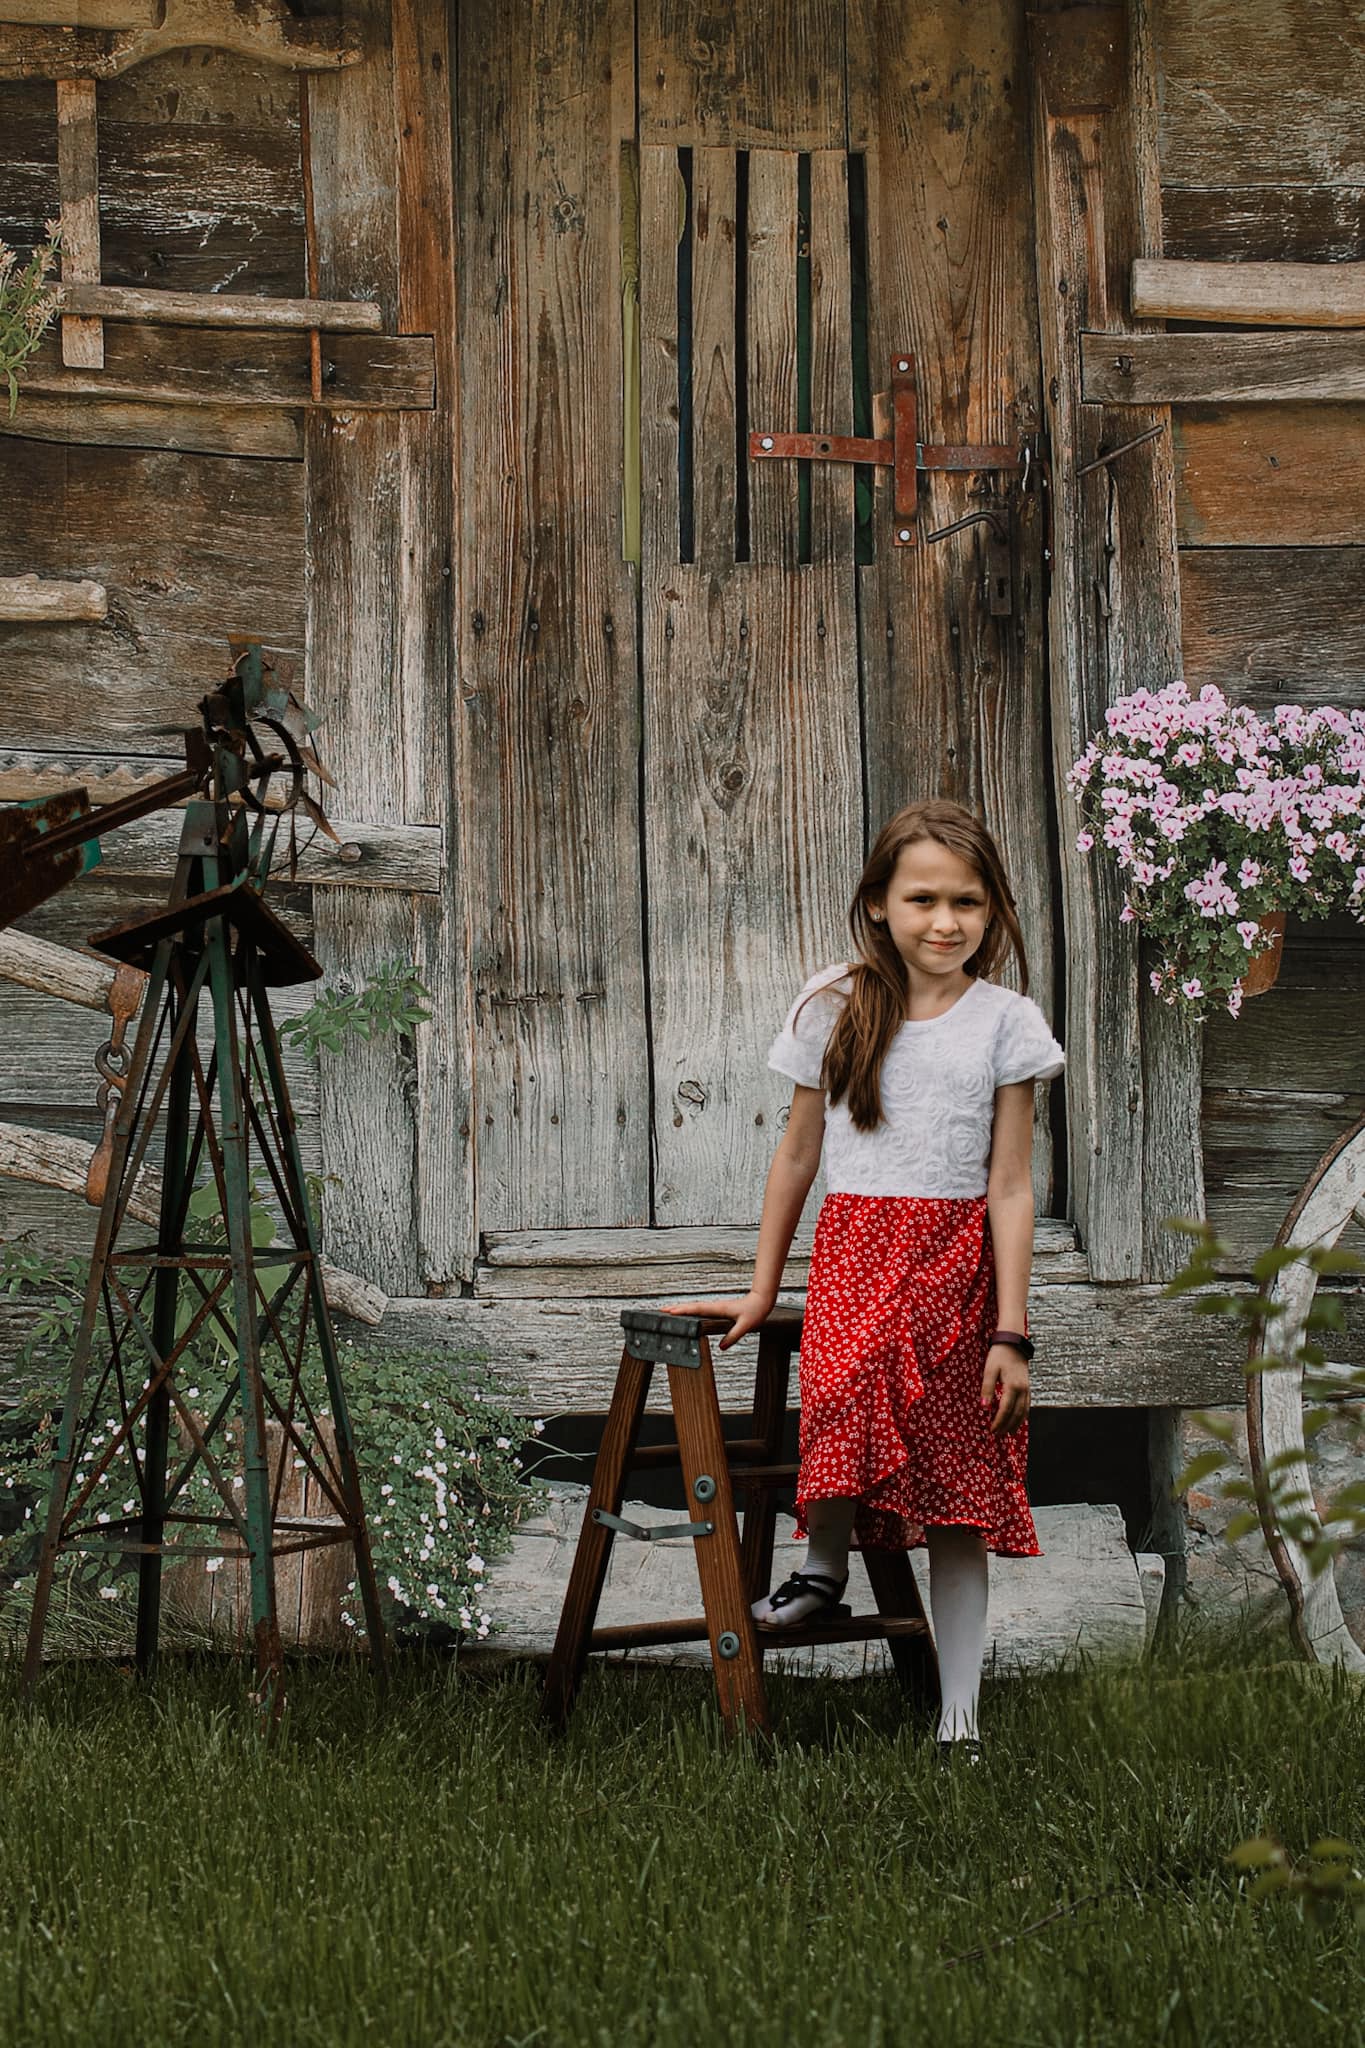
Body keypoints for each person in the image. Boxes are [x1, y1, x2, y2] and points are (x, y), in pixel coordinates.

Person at [667, 798, 1064, 1762]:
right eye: (921, 897)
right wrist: (762, 1289)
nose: (944, 921)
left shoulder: (1006, 1023)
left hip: (958, 1265)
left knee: (960, 1498)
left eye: (967, 901)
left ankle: (959, 1719)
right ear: (878, 903)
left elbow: (1009, 1186)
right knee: (847, 1377)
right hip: (856, 1249)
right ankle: (823, 1564)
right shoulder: (833, 1006)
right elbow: (797, 1158)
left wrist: (1010, 1332)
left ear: (994, 909)